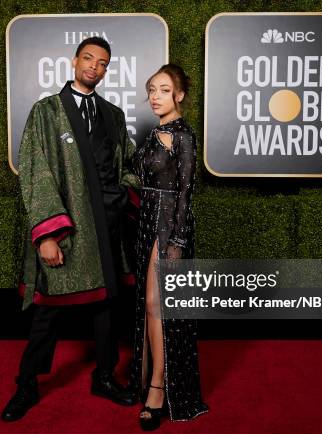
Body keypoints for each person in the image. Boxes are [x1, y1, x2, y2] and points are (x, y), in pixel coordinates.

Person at [1, 36, 140, 422]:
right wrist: (47, 233)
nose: (94, 67)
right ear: (75, 61)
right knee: (48, 311)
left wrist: (137, 190)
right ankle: (26, 385)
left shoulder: (113, 115)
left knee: (107, 307)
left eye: (103, 63)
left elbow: (123, 165)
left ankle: (104, 377)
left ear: (107, 70)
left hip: (107, 225)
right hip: (67, 226)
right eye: (88, 59)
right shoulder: (46, 111)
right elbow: (35, 170)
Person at [129, 64, 209, 430]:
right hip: (146, 222)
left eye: (163, 89)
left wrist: (176, 240)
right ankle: (147, 378)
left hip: (170, 226)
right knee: (148, 306)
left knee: (157, 304)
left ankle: (159, 388)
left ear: (179, 95)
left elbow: (185, 194)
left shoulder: (184, 137)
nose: (155, 96)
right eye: (151, 89)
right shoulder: (154, 134)